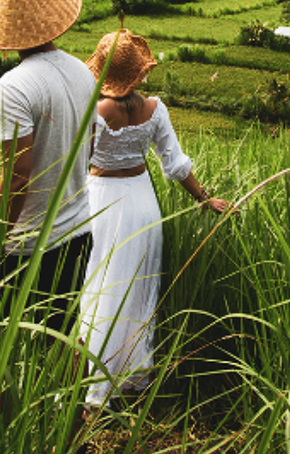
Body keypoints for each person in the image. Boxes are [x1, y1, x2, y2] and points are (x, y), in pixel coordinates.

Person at [77, 29, 230, 409]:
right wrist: (205, 199)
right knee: (136, 289)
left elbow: (77, 165)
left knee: (99, 290)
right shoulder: (156, 109)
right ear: (140, 74)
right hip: (142, 205)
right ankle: (133, 374)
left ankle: (97, 380)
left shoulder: (94, 111)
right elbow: (175, 165)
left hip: (102, 204)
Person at [0, 0, 97, 336]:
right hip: (80, 231)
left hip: (28, 246)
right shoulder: (84, 71)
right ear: (52, 22)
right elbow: (89, 145)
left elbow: (18, 175)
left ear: (4, 35)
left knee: (5, 346)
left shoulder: (12, 86)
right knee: (66, 339)